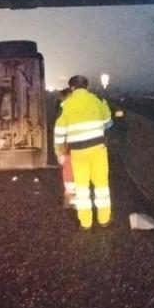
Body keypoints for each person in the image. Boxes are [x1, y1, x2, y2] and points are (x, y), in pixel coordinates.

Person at [52, 75, 113, 229]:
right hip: (98, 150)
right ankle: (104, 220)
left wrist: (59, 152)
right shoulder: (98, 100)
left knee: (82, 187)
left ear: (72, 88)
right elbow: (108, 122)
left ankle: (86, 223)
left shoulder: (66, 104)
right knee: (101, 186)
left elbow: (59, 132)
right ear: (86, 87)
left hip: (78, 152)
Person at [56, 87, 76, 207]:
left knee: (69, 173)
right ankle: (73, 199)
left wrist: (59, 152)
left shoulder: (64, 110)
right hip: (79, 147)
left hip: (69, 147)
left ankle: (70, 200)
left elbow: (59, 132)